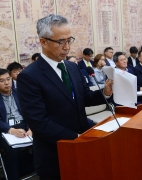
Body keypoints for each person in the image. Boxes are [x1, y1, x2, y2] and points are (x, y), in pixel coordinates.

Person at [17, 14, 113, 179]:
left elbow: (84, 98)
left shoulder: (71, 67)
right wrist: (76, 138)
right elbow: (39, 122)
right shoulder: (29, 77)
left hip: (83, 147)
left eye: (69, 40)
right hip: (55, 155)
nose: (67, 47)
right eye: (61, 42)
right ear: (43, 42)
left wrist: (105, 92)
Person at [0, 69, 35, 180]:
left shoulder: (19, 93)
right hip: (5, 130)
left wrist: (31, 128)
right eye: (1, 81)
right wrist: (11, 130)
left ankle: (44, 171)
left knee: (43, 138)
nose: (6, 83)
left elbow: (30, 112)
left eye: (8, 79)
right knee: (12, 149)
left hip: (24, 126)